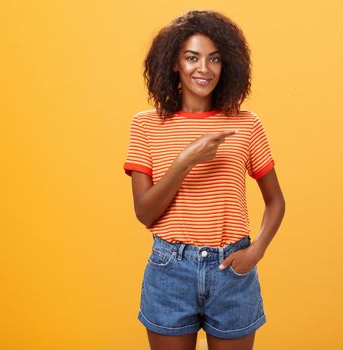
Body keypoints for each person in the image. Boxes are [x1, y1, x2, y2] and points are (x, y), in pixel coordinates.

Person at [124, 9, 285, 350]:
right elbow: (144, 213)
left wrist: (256, 252)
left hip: (232, 270)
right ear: (174, 63)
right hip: (170, 269)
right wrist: (186, 159)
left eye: (214, 59)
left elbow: (276, 201)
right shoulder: (146, 125)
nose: (204, 69)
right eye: (192, 58)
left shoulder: (247, 124)